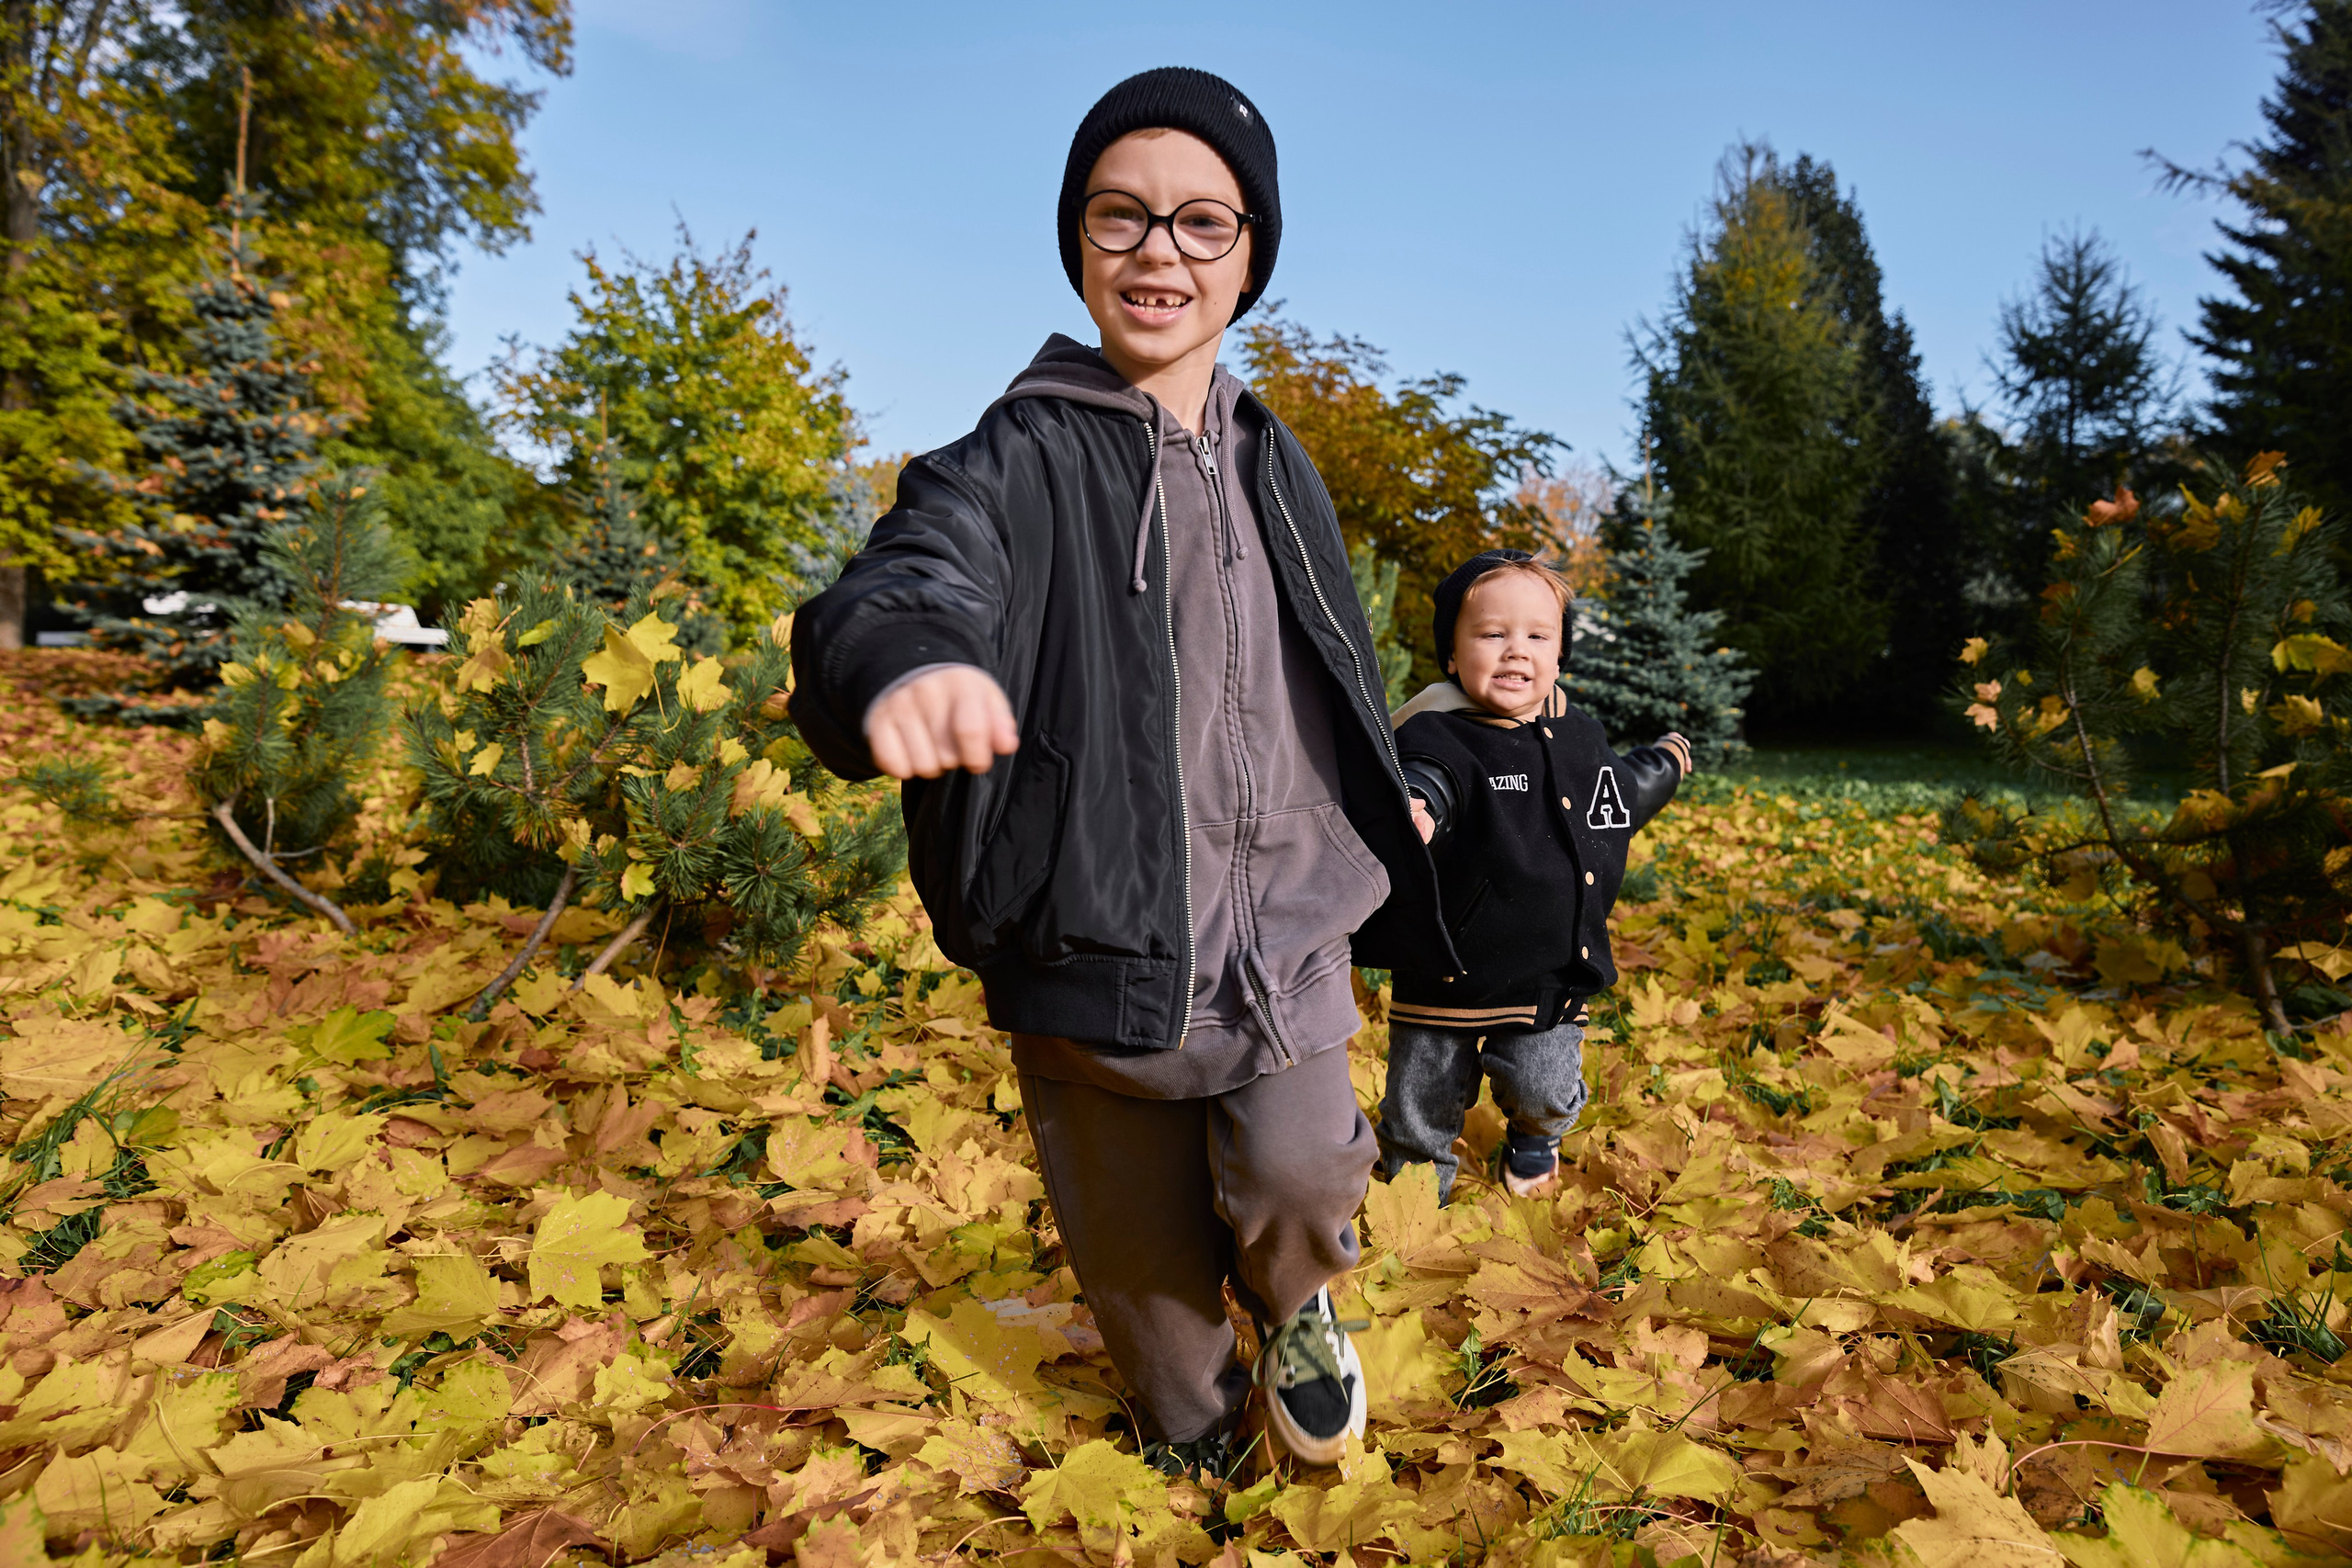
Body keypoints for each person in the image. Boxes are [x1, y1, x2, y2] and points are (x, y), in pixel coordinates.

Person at [788, 66, 1445, 1473]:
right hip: (1090, 930)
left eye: (1203, 221)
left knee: (1304, 1171)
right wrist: (907, 659)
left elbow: (1325, 653)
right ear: (1078, 238)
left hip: (1285, 921)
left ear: (1251, 255)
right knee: (1142, 1266)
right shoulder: (1015, 453)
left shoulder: (1276, 458)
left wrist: (1376, 783)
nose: (1159, 250)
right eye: (1120, 215)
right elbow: (912, 571)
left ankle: (1298, 1302)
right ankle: (1194, 1427)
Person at [1377, 549, 1691, 1202]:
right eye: (1492, 634)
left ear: (1560, 654)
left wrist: (1666, 761)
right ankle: (1413, 1202)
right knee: (1421, 1101)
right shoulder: (1438, 732)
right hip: (1445, 968)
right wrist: (1417, 807)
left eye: (1538, 636)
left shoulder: (1578, 736)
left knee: (1542, 1085)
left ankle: (1536, 1136)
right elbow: (1434, 777)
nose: (1516, 650)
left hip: (1550, 967)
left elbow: (1620, 793)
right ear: (1452, 655)